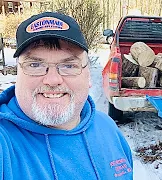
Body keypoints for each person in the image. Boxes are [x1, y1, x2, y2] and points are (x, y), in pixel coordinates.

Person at [0, 12, 133, 180]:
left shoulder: (108, 129)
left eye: (69, 65)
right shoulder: (4, 144)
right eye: (35, 64)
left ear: (89, 76)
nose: (53, 80)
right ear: (17, 74)